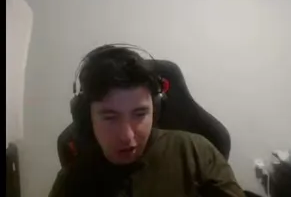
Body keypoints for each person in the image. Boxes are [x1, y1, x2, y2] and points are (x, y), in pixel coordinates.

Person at [49, 45, 245, 197]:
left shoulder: (195, 152)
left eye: (140, 114)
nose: (127, 137)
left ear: (155, 110)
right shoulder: (72, 180)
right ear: (87, 116)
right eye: (110, 117)